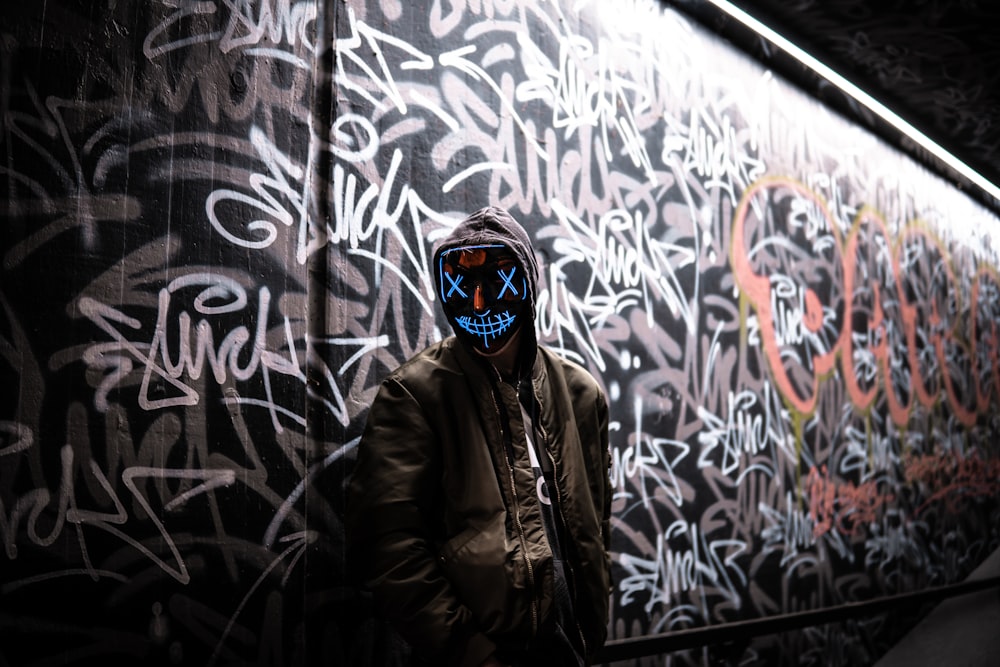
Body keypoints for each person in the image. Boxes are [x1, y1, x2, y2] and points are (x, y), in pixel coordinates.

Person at [346, 206, 612, 667]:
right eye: (461, 286)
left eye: (497, 282)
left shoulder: (580, 395)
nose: (478, 304)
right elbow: (388, 549)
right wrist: (473, 653)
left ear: (528, 285)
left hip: (574, 649)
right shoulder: (414, 396)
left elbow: (596, 520)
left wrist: (593, 624)